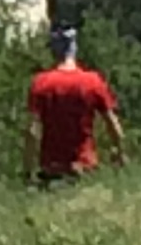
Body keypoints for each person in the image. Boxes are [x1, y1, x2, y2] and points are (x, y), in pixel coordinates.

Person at [24, 26, 124, 184]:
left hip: (52, 170)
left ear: (53, 51)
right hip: (84, 168)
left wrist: (28, 171)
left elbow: (32, 131)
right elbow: (112, 124)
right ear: (74, 49)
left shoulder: (41, 83)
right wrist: (120, 153)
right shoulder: (92, 81)